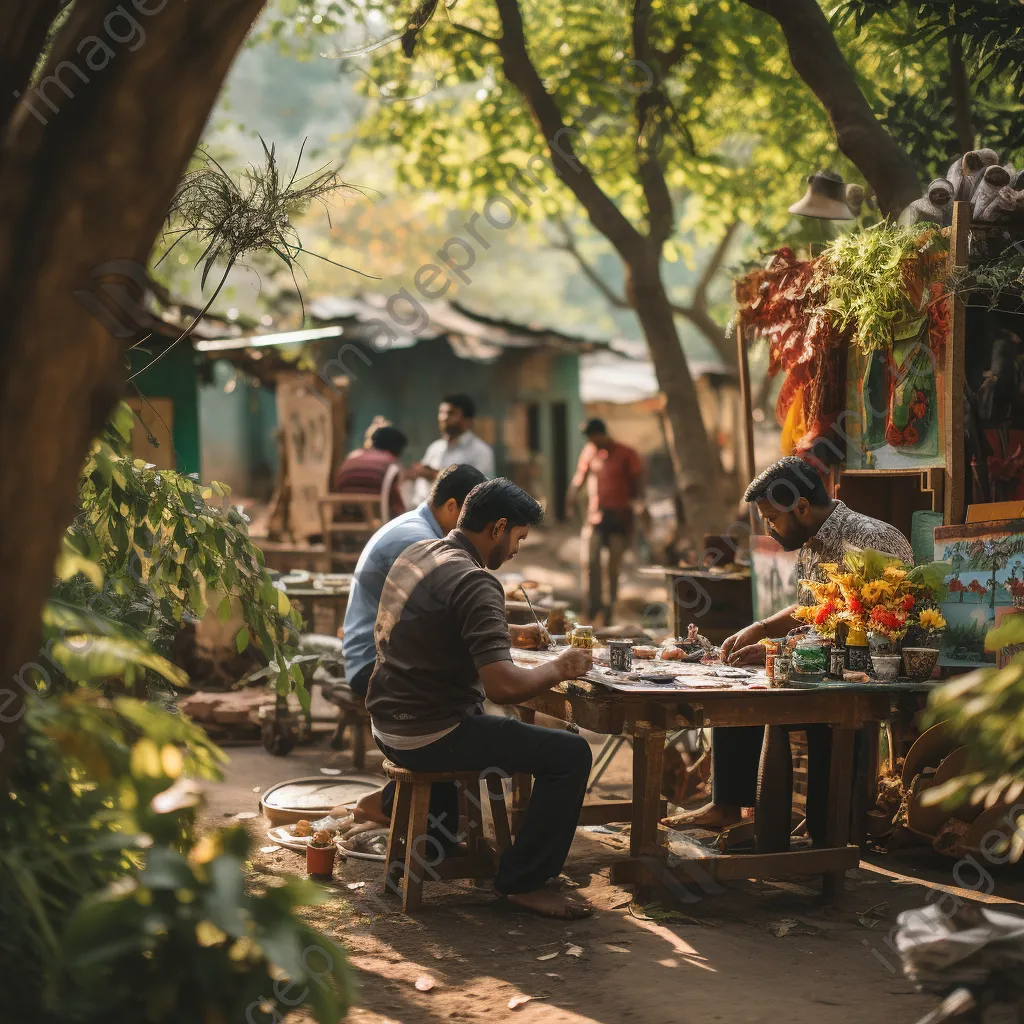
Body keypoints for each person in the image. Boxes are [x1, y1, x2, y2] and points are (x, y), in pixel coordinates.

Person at [366, 478, 595, 918]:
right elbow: (503, 688)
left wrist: (508, 633)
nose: (515, 551)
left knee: (480, 719)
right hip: (428, 733)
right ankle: (522, 882)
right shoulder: (475, 581)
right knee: (570, 753)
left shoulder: (420, 553)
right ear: (499, 527)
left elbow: (438, 625)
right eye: (519, 539)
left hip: (386, 724)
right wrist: (560, 667)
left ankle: (438, 833)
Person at [665, 456, 913, 839]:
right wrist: (762, 632)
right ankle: (729, 806)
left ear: (800, 507)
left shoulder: (872, 540)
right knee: (735, 686)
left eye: (772, 519)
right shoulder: (811, 540)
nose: (769, 529)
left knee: (820, 735)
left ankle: (822, 835)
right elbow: (811, 609)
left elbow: (874, 630)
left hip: (867, 674)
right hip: (820, 664)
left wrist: (782, 650)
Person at [339, 464, 487, 829]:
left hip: (382, 658)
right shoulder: (417, 541)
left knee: (467, 703)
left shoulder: (418, 529)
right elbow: (444, 624)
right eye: (474, 518)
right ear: (453, 507)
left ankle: (430, 817)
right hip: (371, 667)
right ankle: (406, 809)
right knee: (464, 705)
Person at [567, 418, 644, 624]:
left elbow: (638, 483)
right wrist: (571, 497)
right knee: (590, 563)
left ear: (602, 434)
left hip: (619, 519)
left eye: (594, 436)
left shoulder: (626, 454)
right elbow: (579, 478)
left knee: (612, 568)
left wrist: (639, 508)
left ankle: (609, 612)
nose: (592, 441)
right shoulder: (590, 452)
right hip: (595, 518)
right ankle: (592, 610)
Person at [409, 394, 495, 504]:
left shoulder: (481, 452)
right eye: (441, 412)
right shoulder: (435, 448)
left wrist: (435, 475)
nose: (443, 418)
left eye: (451, 413)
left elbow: (479, 490)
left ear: (467, 421)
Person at [334, 425, 408, 521]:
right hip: (376, 518)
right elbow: (396, 502)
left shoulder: (354, 456)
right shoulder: (391, 464)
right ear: (397, 449)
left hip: (347, 515)